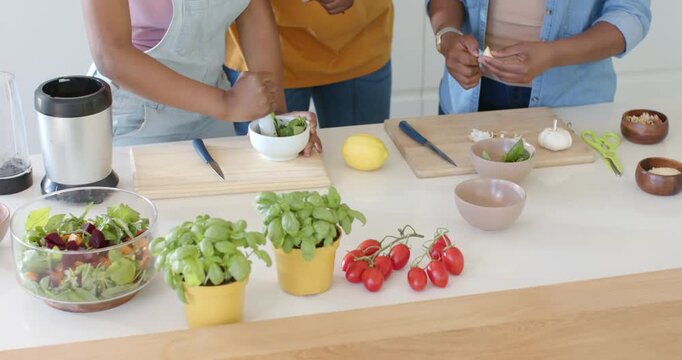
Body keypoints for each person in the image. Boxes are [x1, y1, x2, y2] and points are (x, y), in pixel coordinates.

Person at [81, 0, 321, 155]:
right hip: (136, 122)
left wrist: (276, 122)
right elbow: (111, 55)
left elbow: (253, 10)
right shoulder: (225, 104)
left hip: (211, 114)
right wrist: (226, 104)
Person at [427, 0, 652, 114]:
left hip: (570, 105)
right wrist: (447, 35)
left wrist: (554, 54)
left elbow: (630, 13)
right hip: (466, 100)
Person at [225, 0, 394, 135]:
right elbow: (252, 15)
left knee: (364, 169)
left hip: (358, 43)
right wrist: (275, 114)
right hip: (259, 54)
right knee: (272, 169)